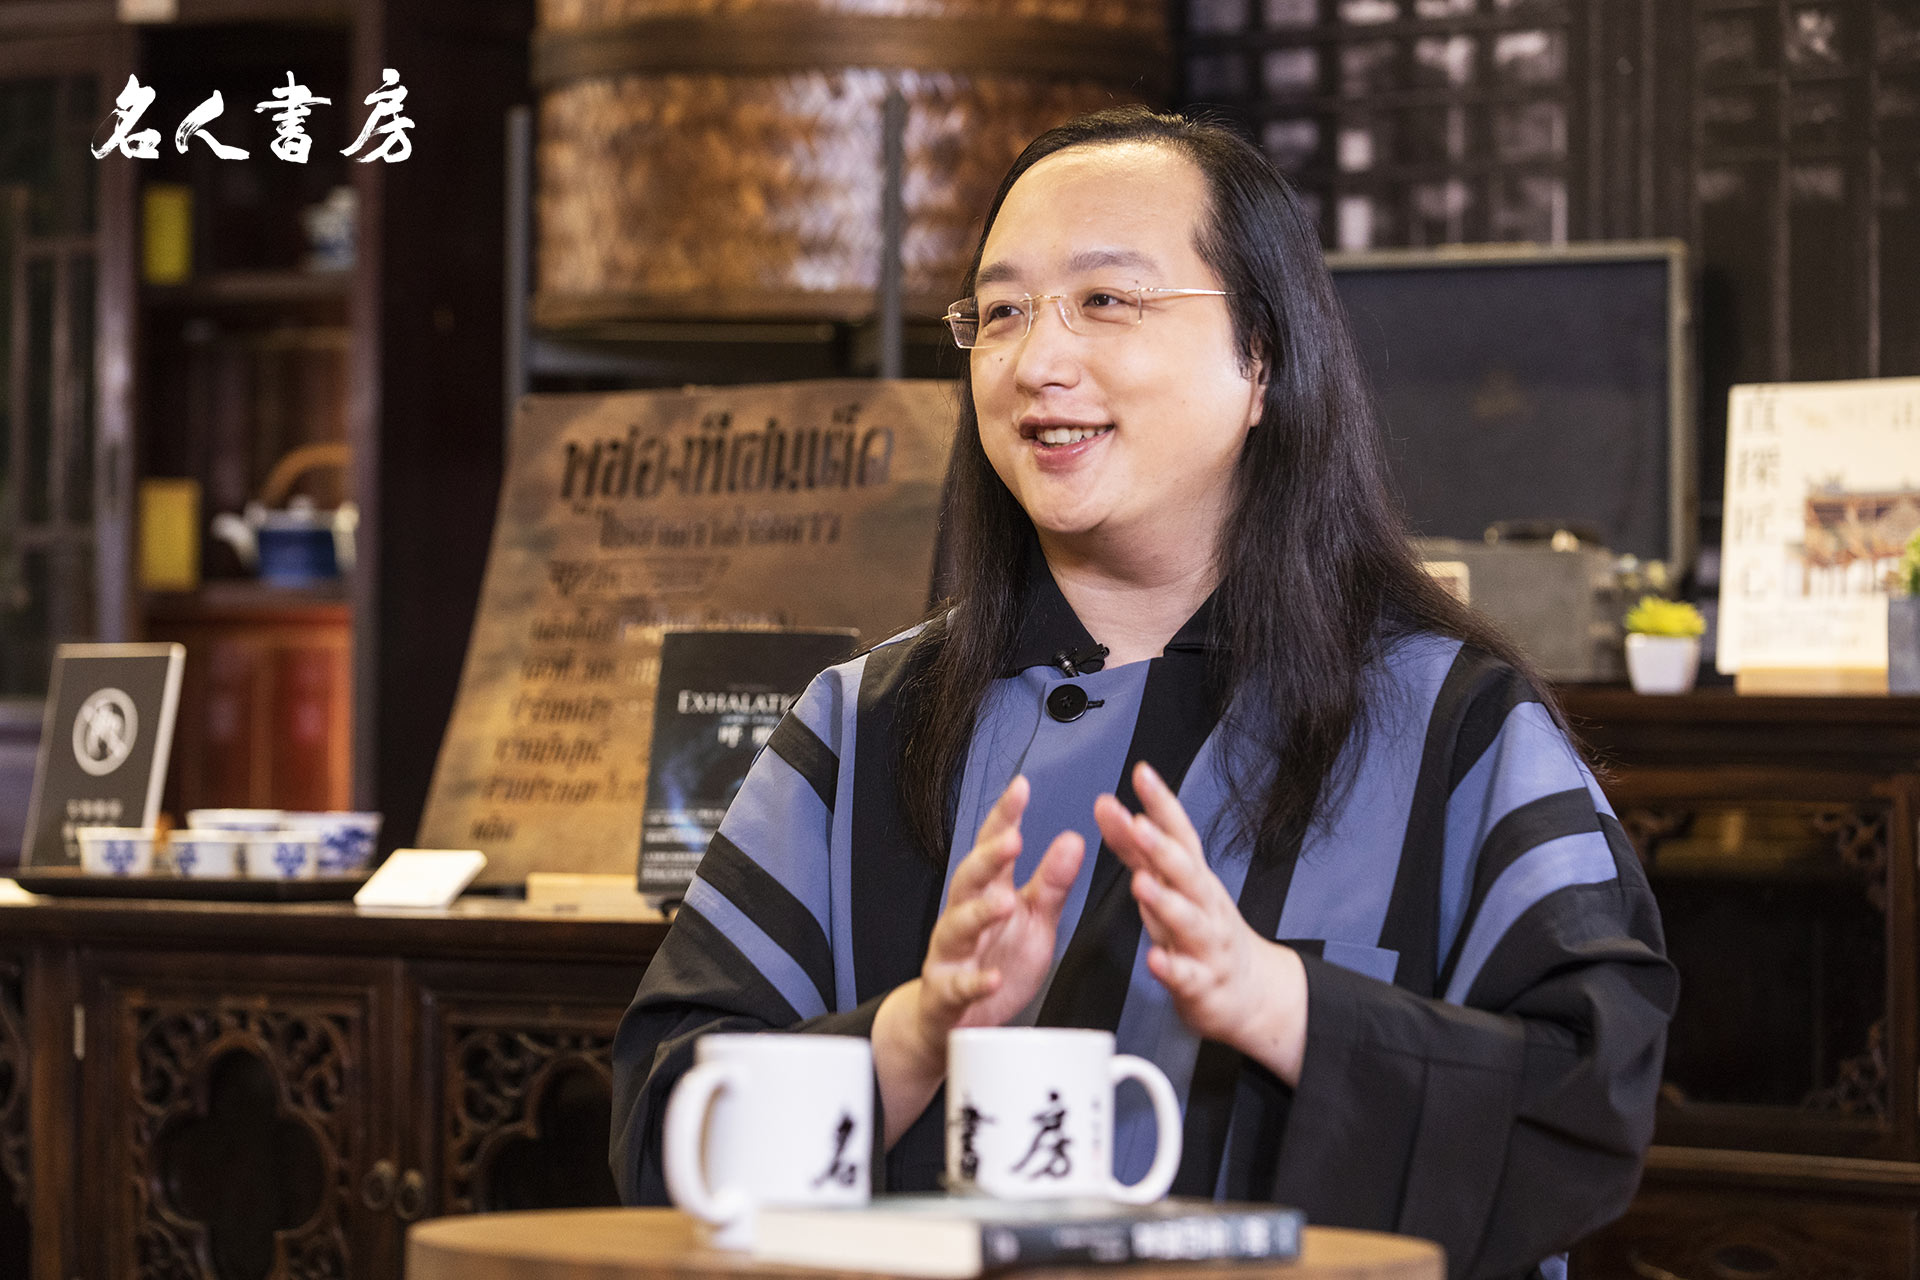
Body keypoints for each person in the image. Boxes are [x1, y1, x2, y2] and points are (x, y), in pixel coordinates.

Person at [610, 106, 1676, 1280]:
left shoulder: (1452, 723)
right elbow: (668, 1126)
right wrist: (917, 1032)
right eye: (1001, 312)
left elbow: (1588, 1105)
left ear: (1260, 357)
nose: (1037, 360)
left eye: (1106, 299)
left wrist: (1278, 1002)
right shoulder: (862, 726)